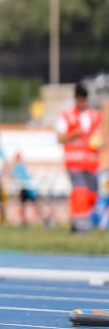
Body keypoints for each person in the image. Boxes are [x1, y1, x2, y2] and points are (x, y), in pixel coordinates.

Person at [56, 84, 102, 232]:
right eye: (80, 100)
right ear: (76, 99)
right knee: (80, 192)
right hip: (74, 162)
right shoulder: (66, 115)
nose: (83, 103)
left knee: (92, 195)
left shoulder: (94, 116)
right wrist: (73, 133)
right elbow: (60, 138)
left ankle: (78, 222)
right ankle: (81, 226)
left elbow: (99, 135)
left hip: (92, 163)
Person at [9, 152, 39, 227]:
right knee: (28, 204)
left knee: (25, 205)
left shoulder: (18, 166)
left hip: (26, 187)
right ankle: (25, 221)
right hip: (27, 187)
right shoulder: (22, 166)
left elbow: (12, 175)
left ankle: (25, 221)